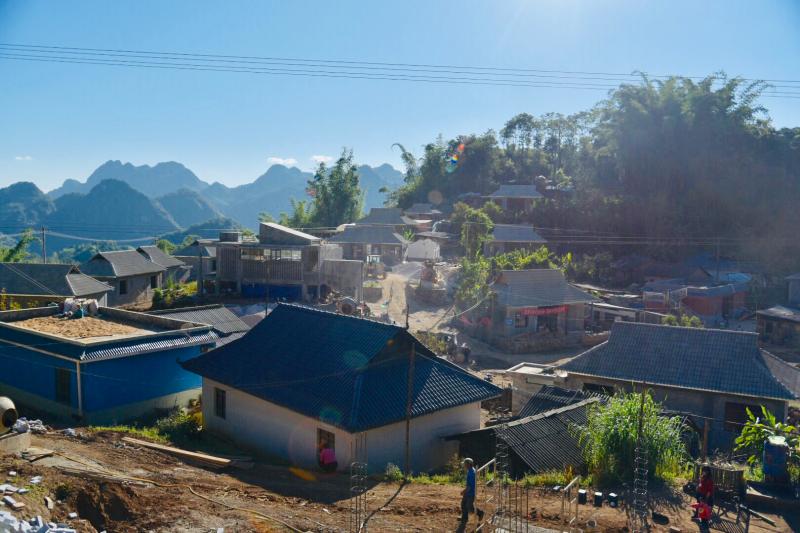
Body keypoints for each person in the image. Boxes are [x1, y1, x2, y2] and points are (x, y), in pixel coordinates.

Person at [457, 458, 484, 532]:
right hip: (468, 492)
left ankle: (480, 513)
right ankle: (464, 518)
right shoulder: (470, 470)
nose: (464, 465)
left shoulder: (472, 473)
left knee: (469, 507)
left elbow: (469, 486)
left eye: (465, 464)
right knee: (463, 504)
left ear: (468, 464)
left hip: (470, 493)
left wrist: (463, 491)